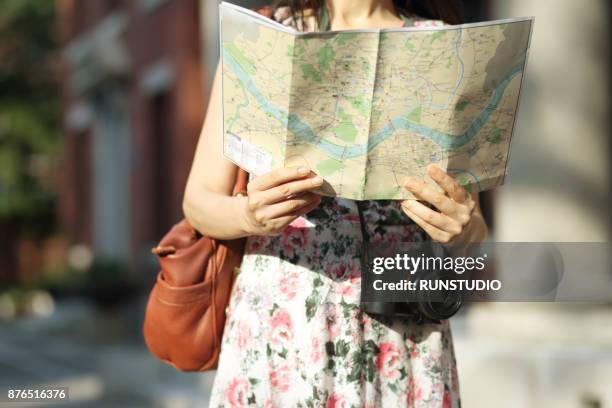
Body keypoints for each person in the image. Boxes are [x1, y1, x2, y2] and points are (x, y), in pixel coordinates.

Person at [183, 0, 488, 406]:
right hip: (287, 326)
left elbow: (475, 232)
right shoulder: (264, 36)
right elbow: (198, 200)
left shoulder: (444, 48)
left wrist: (463, 230)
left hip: (406, 328)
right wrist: (248, 214)